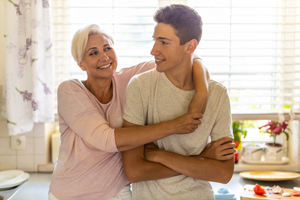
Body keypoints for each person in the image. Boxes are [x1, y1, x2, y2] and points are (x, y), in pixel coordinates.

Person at [48, 23, 211, 200]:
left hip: (117, 192)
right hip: (70, 193)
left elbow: (187, 58)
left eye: (107, 48)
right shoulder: (70, 90)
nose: (104, 57)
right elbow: (106, 140)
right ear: (81, 65)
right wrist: (175, 126)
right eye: (93, 53)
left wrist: (202, 92)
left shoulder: (129, 80)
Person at [122, 4, 235, 200]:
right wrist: (201, 160)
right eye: (155, 40)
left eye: (164, 42)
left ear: (190, 46)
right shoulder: (140, 86)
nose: (153, 50)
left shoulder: (217, 94)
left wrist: (159, 155)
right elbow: (134, 171)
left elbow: (223, 173)